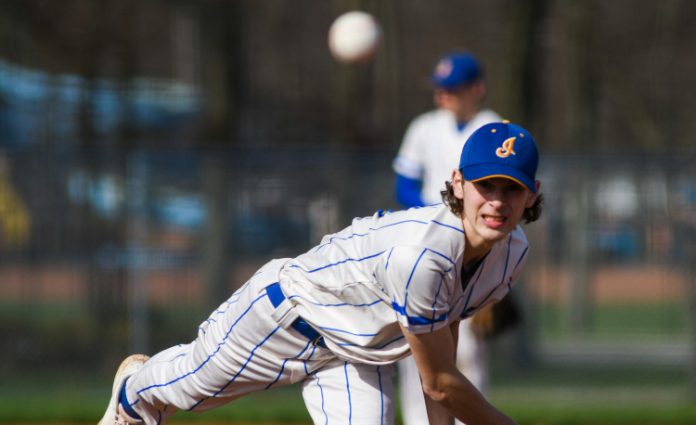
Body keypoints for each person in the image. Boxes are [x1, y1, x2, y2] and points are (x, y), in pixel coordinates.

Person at [99, 120, 543, 425]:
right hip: (287, 316)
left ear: (532, 194)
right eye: (486, 185)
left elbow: (444, 344)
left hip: (355, 355)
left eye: (512, 188)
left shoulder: (510, 254)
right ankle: (133, 393)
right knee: (191, 390)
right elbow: (439, 382)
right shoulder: (423, 255)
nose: (498, 202)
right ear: (459, 183)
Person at [392, 51, 503, 425]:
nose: (442, 96)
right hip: (428, 248)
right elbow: (404, 184)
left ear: (477, 89)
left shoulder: (495, 129)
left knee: (470, 352)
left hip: (474, 256)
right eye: (440, 89)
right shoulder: (424, 126)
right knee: (418, 350)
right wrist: (440, 212)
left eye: (451, 89)